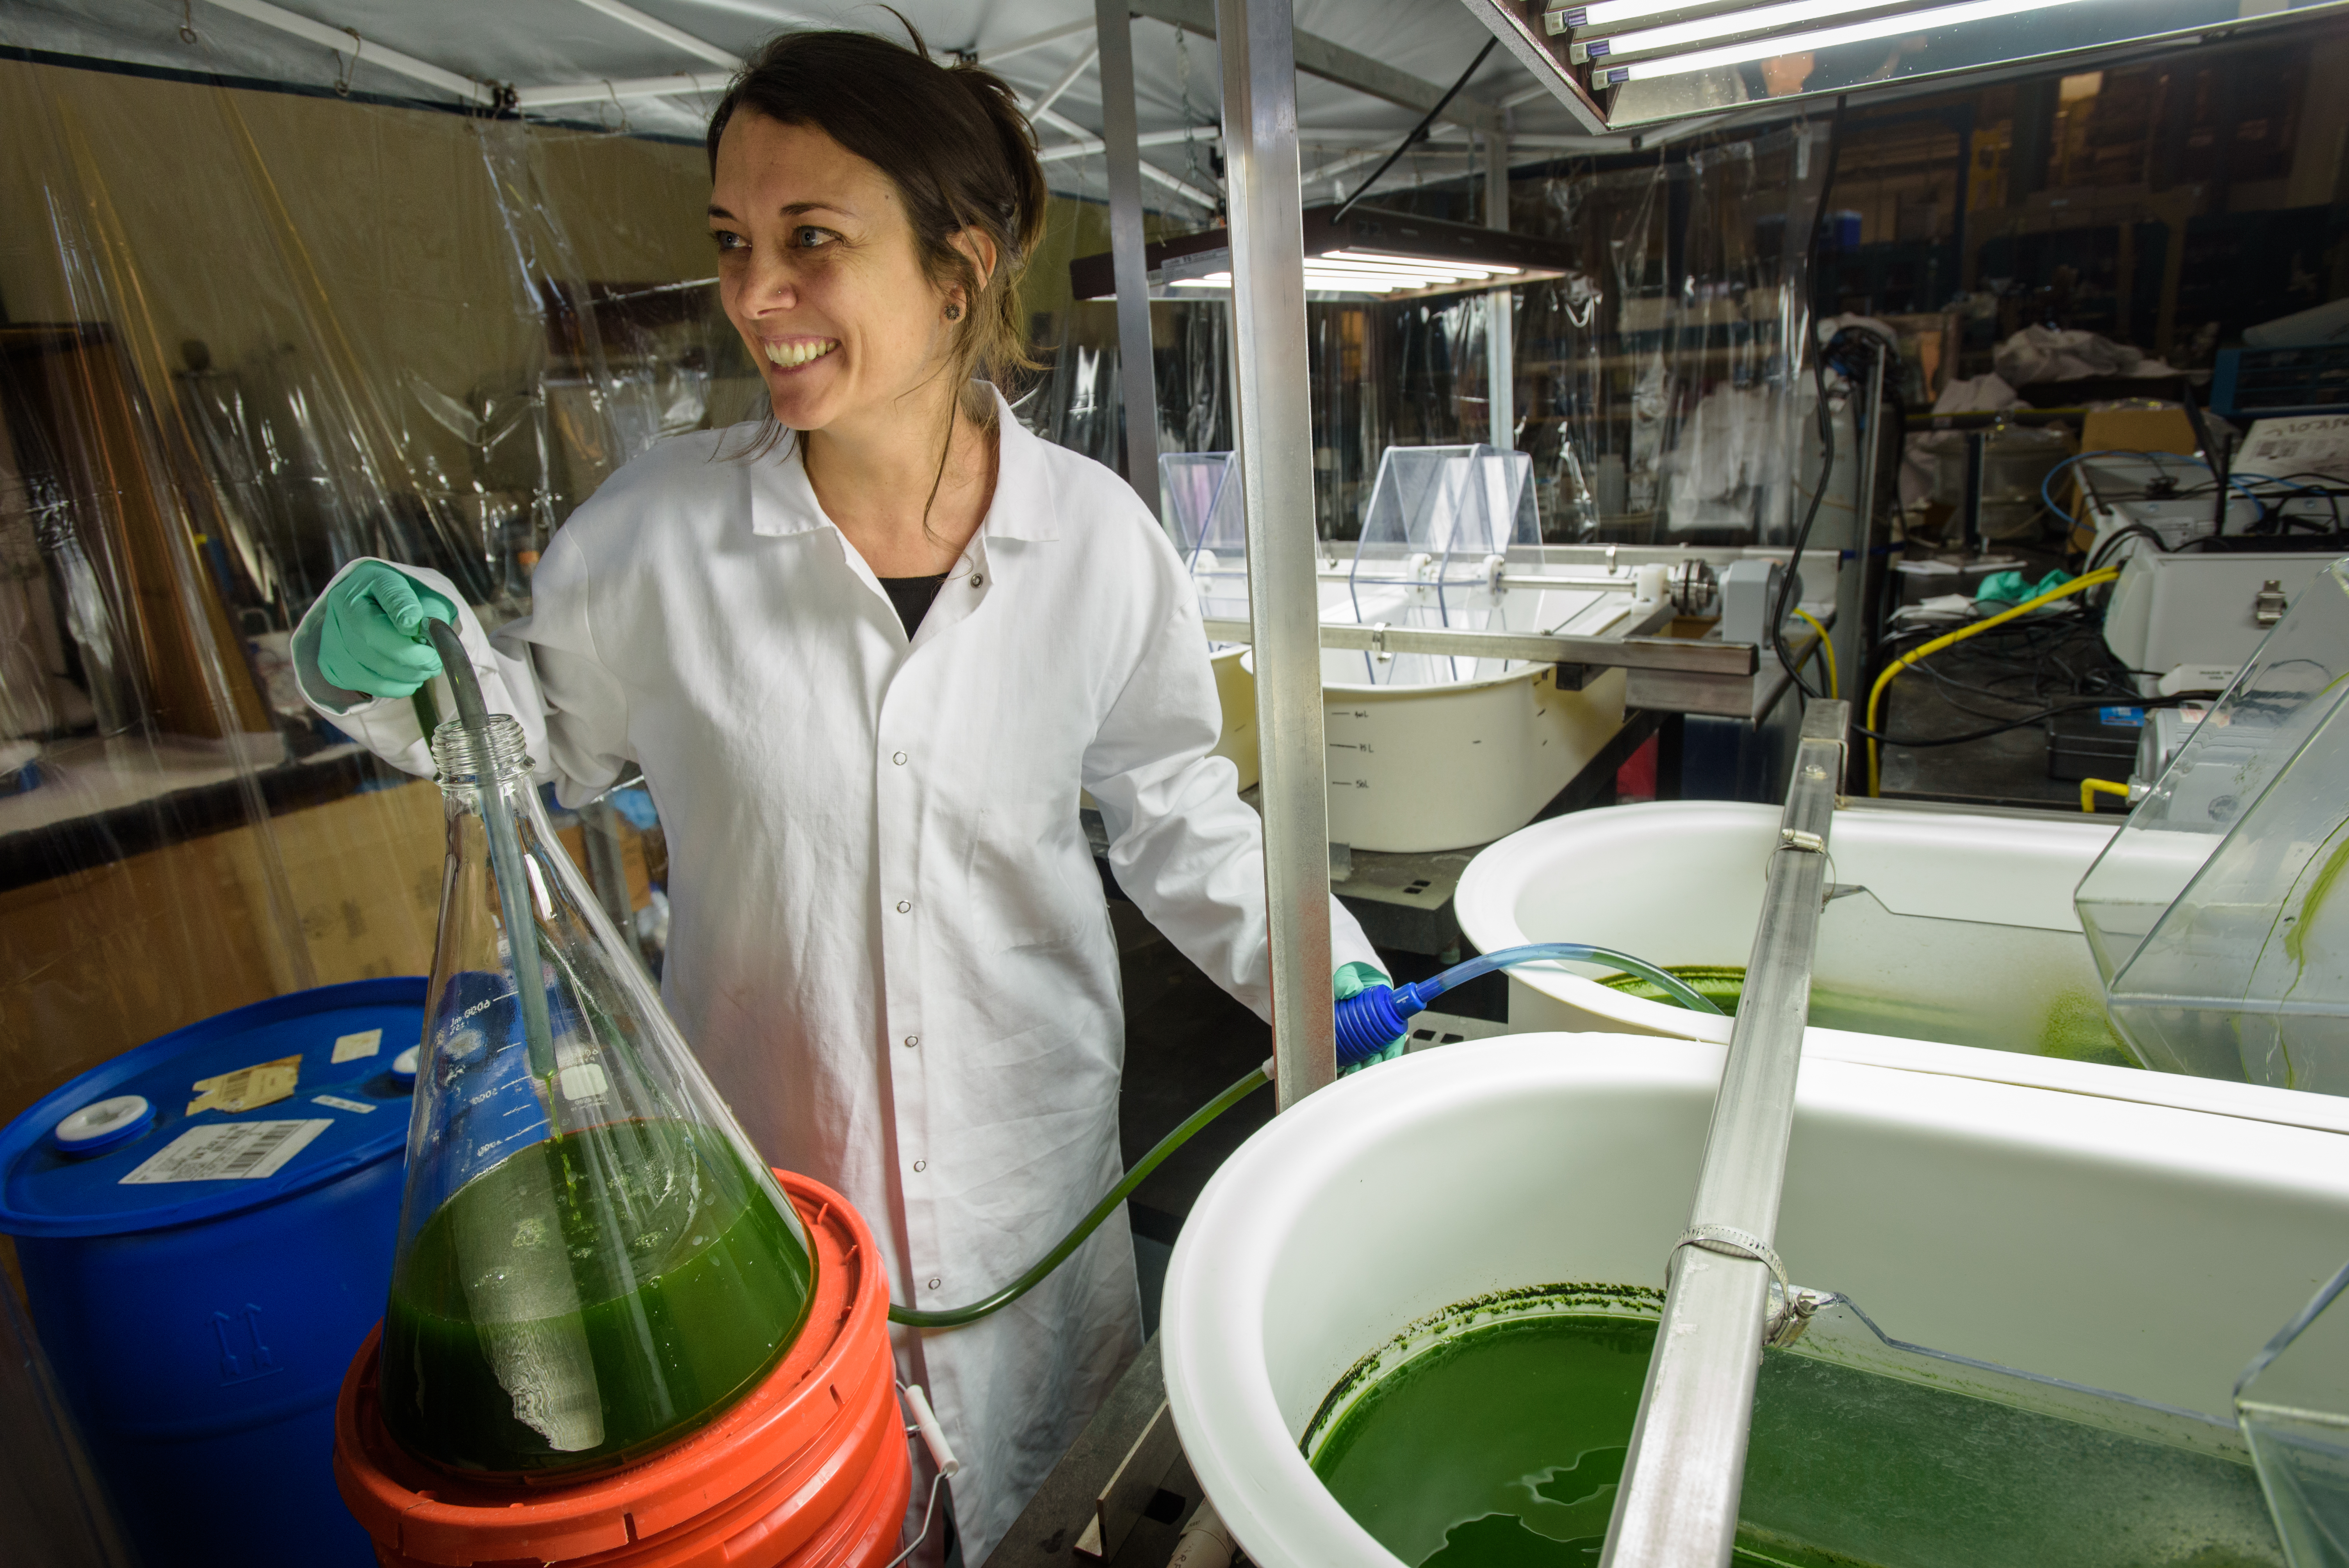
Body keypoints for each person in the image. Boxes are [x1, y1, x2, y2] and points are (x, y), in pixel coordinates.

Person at [293, 25, 1398, 1566]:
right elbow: (533, 750)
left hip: (1035, 1190)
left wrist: (1317, 961)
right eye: (735, 244)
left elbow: (1171, 803)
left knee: (1037, 1507)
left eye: (812, 241)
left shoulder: (1094, 539)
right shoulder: (654, 537)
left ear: (958, 269)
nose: (755, 296)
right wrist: (411, 660)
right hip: (763, 1203)